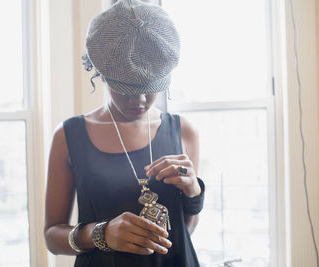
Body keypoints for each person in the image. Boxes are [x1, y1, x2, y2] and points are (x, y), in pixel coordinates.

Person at [44, 0, 205, 266]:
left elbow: (186, 230)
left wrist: (193, 192)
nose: (140, 100)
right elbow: (52, 238)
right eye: (126, 89)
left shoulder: (184, 131)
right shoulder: (68, 136)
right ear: (102, 74)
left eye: (151, 87)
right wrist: (101, 233)